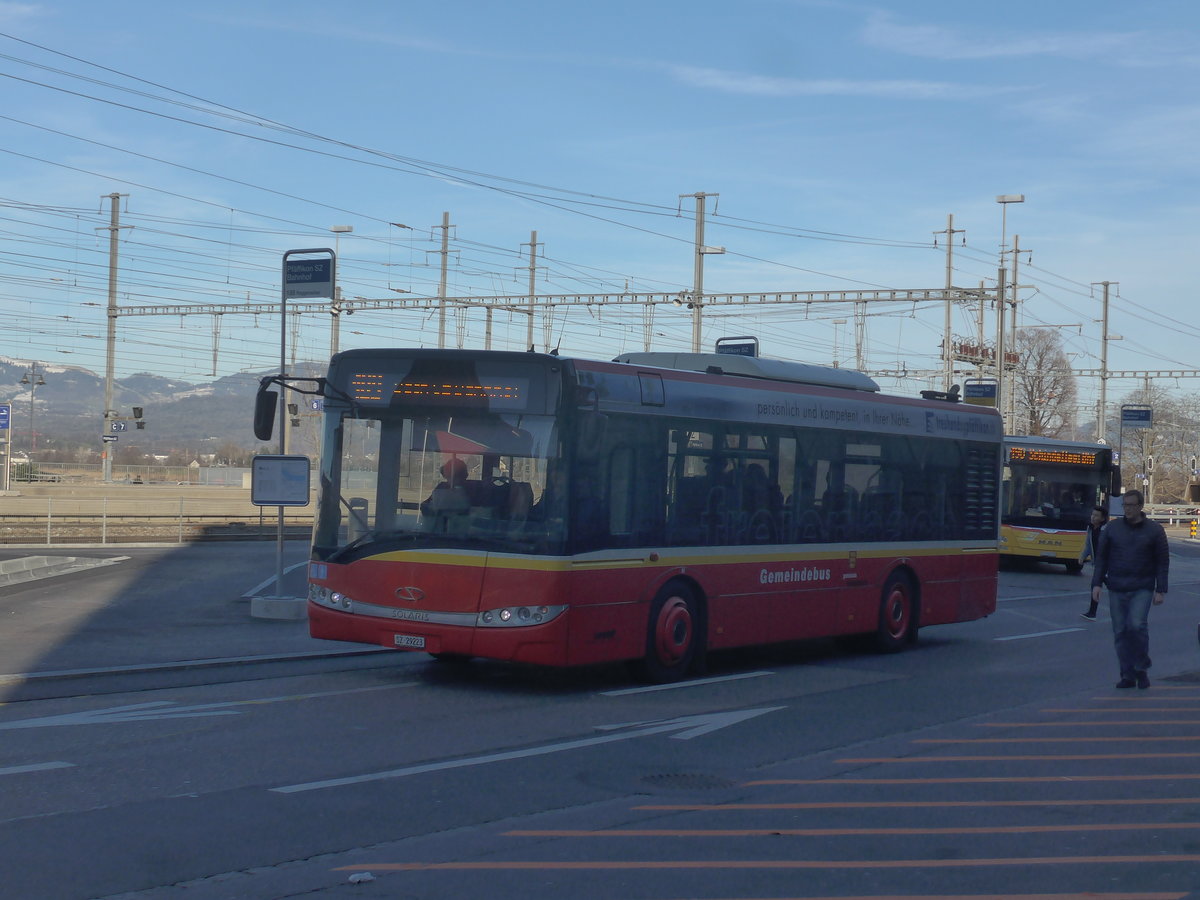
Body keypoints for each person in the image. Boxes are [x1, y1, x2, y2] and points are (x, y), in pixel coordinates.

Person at [1090, 490, 1169, 689]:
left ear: (1141, 506)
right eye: (1125, 505)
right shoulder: (1112, 528)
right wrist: (1097, 584)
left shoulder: (1154, 530)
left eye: (1132, 505)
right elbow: (1101, 559)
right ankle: (1127, 674)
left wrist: (1161, 589)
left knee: (1136, 625)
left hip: (1142, 586)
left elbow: (1162, 561)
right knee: (1120, 632)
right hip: (1117, 586)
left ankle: (1141, 667)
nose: (1128, 509)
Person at [1079, 505, 1110, 617]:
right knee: (1097, 586)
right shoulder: (1090, 528)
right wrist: (1082, 556)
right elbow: (1088, 544)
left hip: (1106, 564)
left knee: (1100, 585)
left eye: (1096, 515)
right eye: (1092, 514)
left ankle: (1092, 613)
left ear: (1102, 518)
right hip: (1098, 563)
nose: (1093, 517)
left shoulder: (1106, 529)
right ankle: (1092, 613)